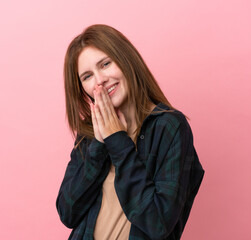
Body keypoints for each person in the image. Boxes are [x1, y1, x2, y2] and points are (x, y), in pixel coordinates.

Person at [56, 24, 204, 240]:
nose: (100, 80)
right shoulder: (89, 134)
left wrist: (117, 140)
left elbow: (158, 224)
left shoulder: (169, 127)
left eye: (105, 64)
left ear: (126, 60)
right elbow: (67, 213)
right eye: (87, 76)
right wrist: (99, 145)